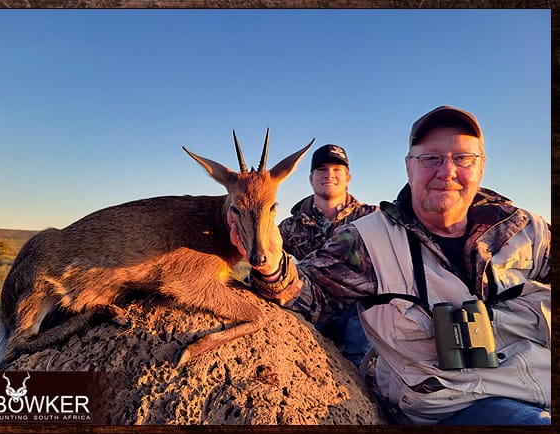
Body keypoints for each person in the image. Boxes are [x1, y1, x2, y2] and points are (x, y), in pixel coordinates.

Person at [229, 106, 551, 425]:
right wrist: (269, 263)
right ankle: (350, 368)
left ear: (481, 168)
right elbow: (308, 292)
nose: (447, 170)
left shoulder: (525, 229)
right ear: (409, 167)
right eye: (431, 158)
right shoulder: (368, 237)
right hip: (455, 402)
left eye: (463, 157)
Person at [278, 144, 377, 365]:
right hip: (309, 313)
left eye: (337, 170)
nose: (329, 175)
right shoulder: (289, 226)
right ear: (311, 178)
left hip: (358, 321)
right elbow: (267, 259)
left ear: (348, 177)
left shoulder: (372, 219)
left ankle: (358, 375)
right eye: (322, 169)